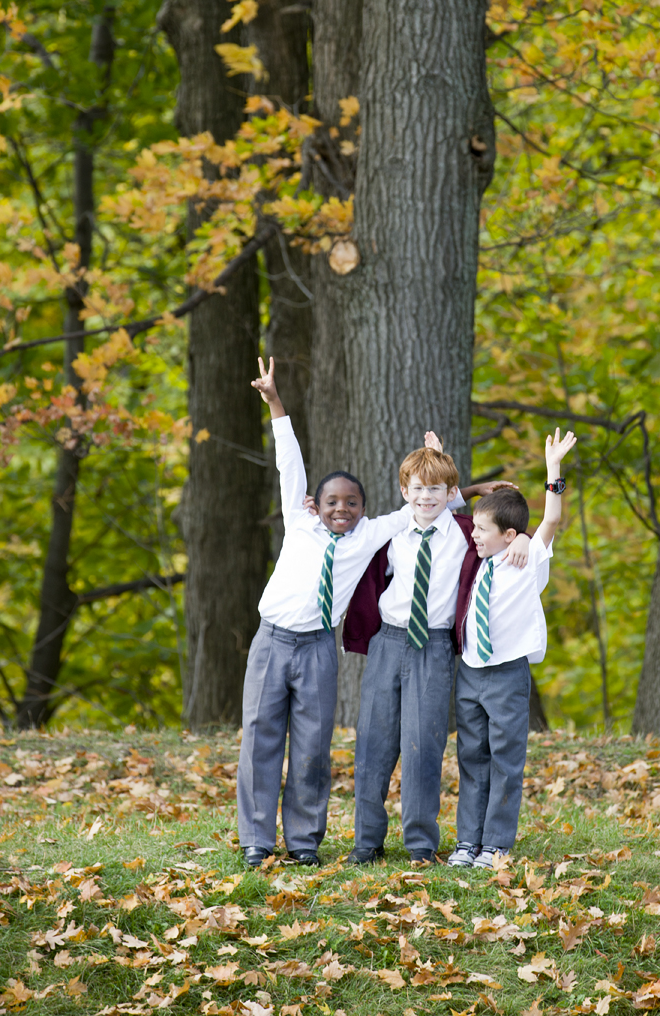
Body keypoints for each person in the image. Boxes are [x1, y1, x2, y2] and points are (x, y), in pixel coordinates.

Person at [238, 359, 467, 870]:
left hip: (320, 646)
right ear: (314, 504)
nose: (341, 508)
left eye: (352, 502)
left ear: (365, 507)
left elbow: (427, 503)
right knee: (260, 739)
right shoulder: (298, 523)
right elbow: (287, 462)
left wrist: (445, 474)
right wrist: (276, 403)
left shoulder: (371, 534)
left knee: (315, 749)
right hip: (272, 640)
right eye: (332, 501)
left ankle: (303, 841)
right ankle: (256, 838)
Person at [344, 439, 531, 866]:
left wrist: (524, 539)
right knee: (374, 742)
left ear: (450, 495)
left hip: (433, 646)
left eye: (436, 491)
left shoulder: (467, 533)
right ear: (404, 491)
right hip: (388, 641)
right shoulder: (391, 530)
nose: (425, 498)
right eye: (417, 489)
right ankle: (367, 840)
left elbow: (506, 534)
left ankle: (420, 843)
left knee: (423, 746)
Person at [448, 426, 577, 870]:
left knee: (505, 761)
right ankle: (468, 842)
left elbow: (552, 520)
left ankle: (496, 844)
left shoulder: (528, 562)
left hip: (506, 675)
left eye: (482, 529)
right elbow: (447, 519)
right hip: (470, 673)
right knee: (472, 756)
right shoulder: (474, 560)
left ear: (508, 534)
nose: (474, 535)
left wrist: (552, 468)